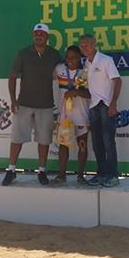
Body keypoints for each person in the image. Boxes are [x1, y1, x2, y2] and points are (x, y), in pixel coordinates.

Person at [2, 23, 61, 186]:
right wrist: (13, 100)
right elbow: (12, 76)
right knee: (17, 138)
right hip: (24, 104)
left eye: (41, 34)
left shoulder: (54, 55)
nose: (38, 36)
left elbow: (63, 75)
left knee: (44, 140)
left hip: (46, 105)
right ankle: (11, 170)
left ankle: (42, 171)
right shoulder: (23, 54)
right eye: (36, 33)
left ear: (47, 37)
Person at [79, 34, 122, 187]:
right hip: (93, 106)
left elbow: (117, 81)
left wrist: (113, 103)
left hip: (106, 105)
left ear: (94, 44)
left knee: (108, 142)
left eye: (87, 45)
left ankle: (112, 175)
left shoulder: (105, 60)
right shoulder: (87, 64)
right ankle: (101, 173)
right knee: (97, 143)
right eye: (82, 46)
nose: (85, 48)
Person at [52, 45, 90, 184]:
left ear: (79, 57)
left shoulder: (85, 72)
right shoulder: (59, 69)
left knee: (83, 144)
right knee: (63, 145)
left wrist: (76, 92)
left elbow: (90, 94)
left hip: (81, 114)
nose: (70, 60)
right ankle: (61, 174)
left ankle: (80, 175)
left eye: (73, 57)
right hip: (65, 115)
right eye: (67, 57)